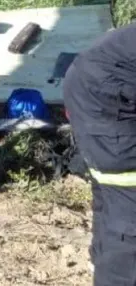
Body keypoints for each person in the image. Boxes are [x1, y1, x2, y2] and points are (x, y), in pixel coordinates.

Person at [63, 22, 136, 286]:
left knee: (110, 195)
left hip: (98, 85)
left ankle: (103, 264)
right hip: (107, 100)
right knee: (130, 209)